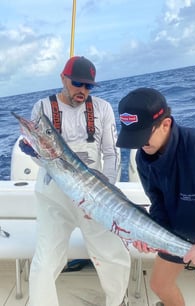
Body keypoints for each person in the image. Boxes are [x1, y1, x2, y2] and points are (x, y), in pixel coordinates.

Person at [116, 87, 195, 306]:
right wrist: (150, 233)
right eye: (133, 138)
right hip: (182, 234)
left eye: (143, 137)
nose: (139, 145)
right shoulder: (143, 159)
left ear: (166, 124)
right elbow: (159, 203)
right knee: (159, 285)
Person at [19, 56, 130, 306]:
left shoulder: (102, 108)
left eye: (88, 86)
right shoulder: (42, 107)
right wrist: (35, 155)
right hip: (53, 197)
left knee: (114, 255)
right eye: (77, 83)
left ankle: (118, 301)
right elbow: (47, 159)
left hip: (95, 197)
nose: (82, 90)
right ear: (62, 78)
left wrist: (105, 196)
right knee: (45, 260)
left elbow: (112, 153)